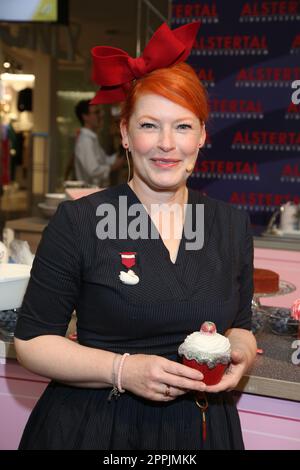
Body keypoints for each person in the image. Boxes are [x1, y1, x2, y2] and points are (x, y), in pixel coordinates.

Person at [14, 22, 256, 450]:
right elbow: (32, 342)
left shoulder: (230, 225)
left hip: (202, 429)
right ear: (125, 134)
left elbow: (240, 325)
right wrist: (122, 370)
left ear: (202, 135)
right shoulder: (81, 222)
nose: (166, 144)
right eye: (149, 125)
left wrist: (240, 351)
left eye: (182, 127)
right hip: (99, 425)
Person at [73, 100, 124, 187]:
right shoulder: (85, 141)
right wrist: (112, 167)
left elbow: (105, 160)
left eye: (100, 112)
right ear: (85, 117)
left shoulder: (92, 139)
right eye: (96, 112)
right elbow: (93, 171)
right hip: (89, 194)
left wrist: (122, 148)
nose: (101, 115)